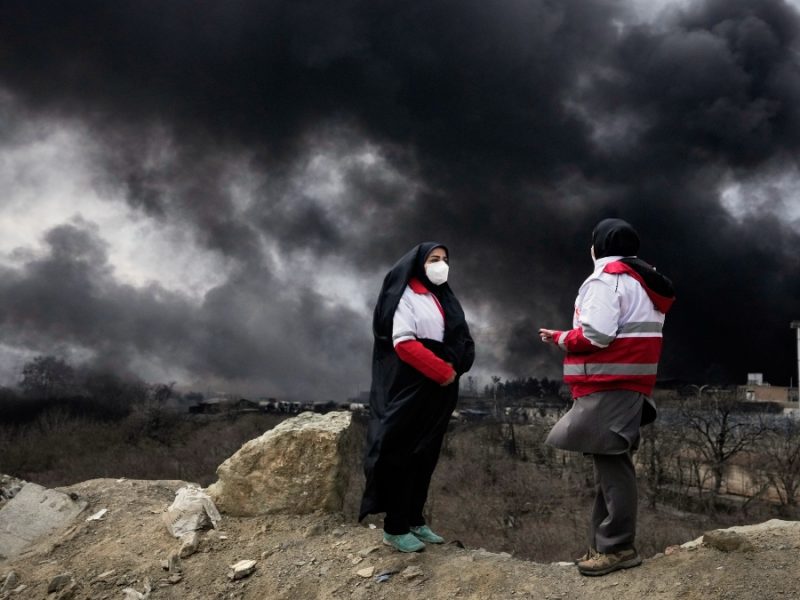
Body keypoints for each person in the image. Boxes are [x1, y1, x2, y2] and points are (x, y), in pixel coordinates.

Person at [539, 218, 675, 576]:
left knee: (614, 468)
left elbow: (597, 334)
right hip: (628, 384)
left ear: (599, 246)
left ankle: (617, 548)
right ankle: (602, 545)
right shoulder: (643, 280)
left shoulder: (607, 279)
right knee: (608, 467)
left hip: (609, 384)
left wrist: (561, 337)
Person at [359, 242, 475, 552]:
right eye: (434, 260)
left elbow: (461, 337)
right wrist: (442, 370)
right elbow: (404, 343)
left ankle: (415, 519)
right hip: (412, 388)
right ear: (418, 264)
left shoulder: (444, 297)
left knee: (426, 454)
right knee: (402, 454)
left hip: (441, 390)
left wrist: (459, 363)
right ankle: (395, 527)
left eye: (445, 259)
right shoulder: (404, 298)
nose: (441, 265)